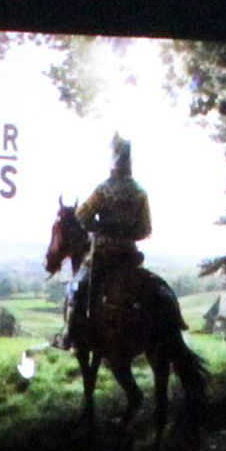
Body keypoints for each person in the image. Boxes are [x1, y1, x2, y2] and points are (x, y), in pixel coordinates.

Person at [70, 134, 152, 358]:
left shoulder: (104, 189)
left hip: (104, 254)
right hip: (129, 255)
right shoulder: (140, 191)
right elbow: (146, 229)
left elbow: (82, 215)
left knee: (78, 288)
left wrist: (98, 227)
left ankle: (72, 335)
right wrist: (128, 232)